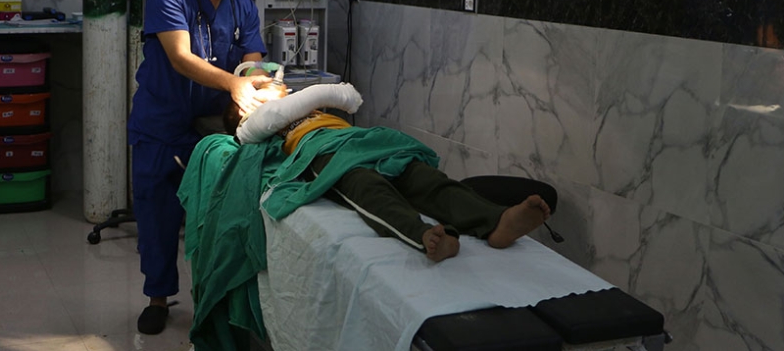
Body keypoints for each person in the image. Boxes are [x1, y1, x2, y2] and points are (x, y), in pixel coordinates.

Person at [127, 0, 273, 335]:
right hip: (162, 122)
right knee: (157, 215)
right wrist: (234, 83)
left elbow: (253, 56)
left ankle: (215, 297)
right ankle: (158, 298)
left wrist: (256, 77)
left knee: (218, 218)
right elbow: (180, 57)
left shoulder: (243, 5)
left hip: (212, 129)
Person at [222, 85, 552, 262]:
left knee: (422, 176)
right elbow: (250, 131)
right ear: (246, 109)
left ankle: (496, 221)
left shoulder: (306, 105)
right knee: (368, 188)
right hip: (322, 152)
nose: (273, 86)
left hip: (361, 141)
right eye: (260, 86)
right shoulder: (258, 125)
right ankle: (423, 234)